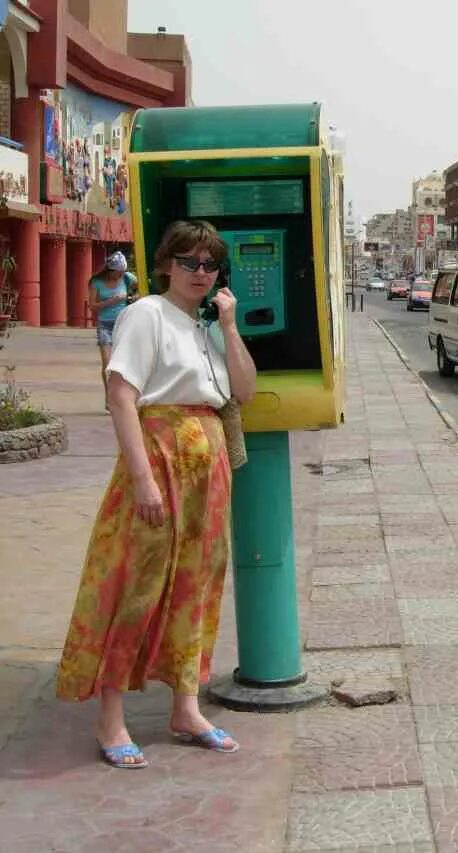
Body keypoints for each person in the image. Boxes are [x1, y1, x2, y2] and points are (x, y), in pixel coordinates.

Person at [55, 220, 256, 769]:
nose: (199, 272)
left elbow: (243, 391)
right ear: (167, 263)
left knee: (198, 584)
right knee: (134, 584)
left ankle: (185, 707)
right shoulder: (146, 314)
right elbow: (121, 395)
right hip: (159, 461)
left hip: (208, 470)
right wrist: (142, 478)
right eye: (188, 261)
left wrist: (231, 325)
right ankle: (110, 717)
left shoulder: (207, 325)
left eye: (209, 263)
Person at [88, 251, 138, 409]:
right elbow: (93, 306)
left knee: (125, 363)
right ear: (111, 270)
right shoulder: (97, 283)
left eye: (123, 272)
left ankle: (125, 396)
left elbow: (138, 291)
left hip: (123, 323)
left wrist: (132, 298)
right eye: (119, 272)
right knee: (107, 362)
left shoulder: (128, 279)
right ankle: (109, 397)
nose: (121, 275)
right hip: (105, 324)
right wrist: (111, 301)